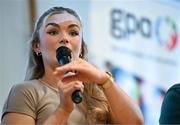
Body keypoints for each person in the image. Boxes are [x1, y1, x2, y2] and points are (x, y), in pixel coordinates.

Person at [1, 6, 144, 124]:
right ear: (37, 46)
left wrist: (104, 79)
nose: (64, 38)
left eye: (73, 32)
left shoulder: (99, 95)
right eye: (53, 31)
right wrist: (63, 110)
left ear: (81, 48)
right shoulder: (25, 92)